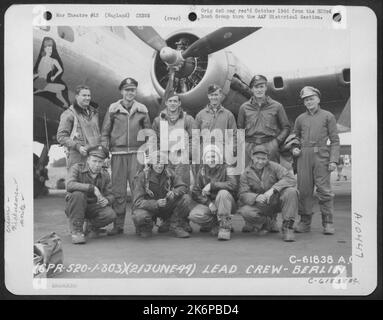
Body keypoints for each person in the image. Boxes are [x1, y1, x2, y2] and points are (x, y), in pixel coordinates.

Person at [101, 77, 152, 236]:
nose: (130, 93)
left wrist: (148, 152)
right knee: (118, 191)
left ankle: (140, 224)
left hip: (137, 155)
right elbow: (105, 133)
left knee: (138, 189)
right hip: (118, 154)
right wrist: (104, 152)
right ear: (121, 91)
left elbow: (149, 133)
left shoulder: (142, 109)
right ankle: (118, 225)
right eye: (127, 90)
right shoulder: (113, 109)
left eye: (133, 90)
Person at [292, 86, 340, 235]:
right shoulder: (300, 119)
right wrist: (294, 148)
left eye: (311, 98)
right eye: (306, 100)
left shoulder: (328, 116)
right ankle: (305, 222)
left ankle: (328, 222)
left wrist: (333, 160)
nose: (309, 102)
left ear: (318, 99)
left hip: (321, 156)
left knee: (324, 191)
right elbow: (295, 137)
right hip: (303, 157)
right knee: (304, 191)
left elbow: (335, 140)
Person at [152, 91, 196, 233]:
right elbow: (154, 140)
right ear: (166, 103)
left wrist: (188, 154)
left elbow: (194, 139)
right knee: (166, 189)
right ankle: (167, 220)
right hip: (166, 159)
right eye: (170, 101)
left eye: (175, 101)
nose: (172, 103)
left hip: (182, 159)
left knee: (183, 189)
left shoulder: (188, 119)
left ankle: (184, 220)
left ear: (179, 103)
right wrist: (158, 157)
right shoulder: (159, 120)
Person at [237, 145, 298, 242]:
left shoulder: (274, 166)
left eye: (263, 159)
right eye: (258, 158)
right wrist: (256, 197)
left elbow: (290, 178)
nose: (260, 162)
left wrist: (273, 189)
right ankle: (268, 222)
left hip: (276, 200)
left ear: (267, 158)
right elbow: (242, 194)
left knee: (291, 191)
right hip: (261, 205)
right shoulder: (246, 173)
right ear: (252, 157)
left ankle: (288, 227)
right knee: (245, 211)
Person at [132, 151, 192, 238]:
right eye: (156, 163)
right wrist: (155, 203)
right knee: (139, 216)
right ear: (151, 164)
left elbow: (183, 186)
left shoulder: (169, 173)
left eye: (162, 163)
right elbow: (137, 202)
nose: (159, 166)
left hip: (166, 206)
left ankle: (175, 225)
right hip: (150, 208)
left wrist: (174, 192)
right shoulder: (142, 176)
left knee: (185, 198)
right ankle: (145, 227)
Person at [65, 145, 116, 244]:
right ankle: (77, 231)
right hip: (76, 206)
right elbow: (69, 185)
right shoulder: (77, 168)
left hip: (93, 207)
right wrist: (92, 188)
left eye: (100, 162)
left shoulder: (105, 174)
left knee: (110, 214)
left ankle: (91, 226)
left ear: (103, 162)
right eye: (94, 161)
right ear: (88, 160)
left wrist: (107, 200)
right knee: (78, 194)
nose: (97, 165)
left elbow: (111, 194)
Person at [237, 74, 290, 166]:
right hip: (250, 146)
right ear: (252, 89)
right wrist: (244, 145)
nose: (259, 90)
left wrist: (276, 142)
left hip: (270, 145)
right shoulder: (244, 107)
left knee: (271, 176)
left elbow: (286, 127)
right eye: (256, 87)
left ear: (266, 88)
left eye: (261, 87)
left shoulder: (277, 106)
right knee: (250, 176)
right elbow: (239, 129)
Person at [189, 145, 237, 240]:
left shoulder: (227, 168)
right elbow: (196, 191)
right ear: (204, 159)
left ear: (219, 157)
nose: (211, 160)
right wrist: (209, 203)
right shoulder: (202, 170)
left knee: (223, 193)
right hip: (211, 204)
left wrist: (212, 185)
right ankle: (215, 224)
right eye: (208, 157)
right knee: (194, 215)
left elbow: (233, 185)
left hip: (227, 203)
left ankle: (225, 227)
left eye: (213, 156)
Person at [57, 85, 101, 169]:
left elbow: (98, 135)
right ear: (77, 97)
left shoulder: (94, 113)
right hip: (77, 158)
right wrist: (78, 147)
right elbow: (61, 137)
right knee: (75, 181)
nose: (87, 98)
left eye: (89, 96)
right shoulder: (69, 114)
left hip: (93, 159)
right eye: (84, 95)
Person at [195, 84, 237, 164]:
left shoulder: (228, 115)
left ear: (220, 95)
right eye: (211, 95)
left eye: (216, 95)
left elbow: (233, 135)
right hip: (205, 153)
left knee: (221, 175)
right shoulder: (200, 115)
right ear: (208, 96)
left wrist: (231, 150)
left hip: (222, 153)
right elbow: (195, 136)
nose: (214, 97)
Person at [33, 37, 69, 108]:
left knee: (58, 92)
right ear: (45, 49)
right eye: (48, 49)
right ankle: (66, 104)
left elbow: (60, 70)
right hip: (42, 83)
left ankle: (66, 104)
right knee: (62, 87)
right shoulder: (46, 59)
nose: (50, 51)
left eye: (51, 49)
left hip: (41, 83)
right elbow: (40, 72)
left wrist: (54, 76)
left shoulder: (51, 60)